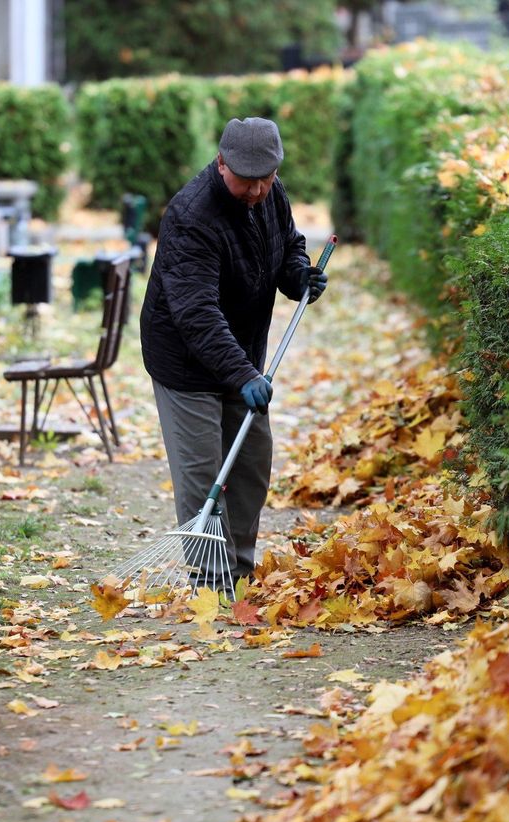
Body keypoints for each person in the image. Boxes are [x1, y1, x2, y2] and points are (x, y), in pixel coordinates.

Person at [140, 117, 328, 587]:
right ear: (222, 163)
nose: (256, 191)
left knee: (250, 465)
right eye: (246, 180)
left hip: (240, 351)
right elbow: (196, 313)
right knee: (204, 474)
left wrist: (299, 275)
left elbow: (286, 246)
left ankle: (238, 574)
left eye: (265, 179)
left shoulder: (270, 192)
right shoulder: (191, 216)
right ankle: (211, 582)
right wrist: (242, 373)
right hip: (185, 361)